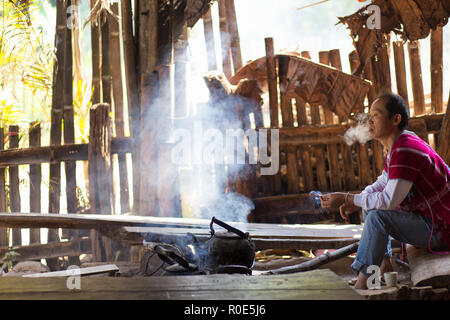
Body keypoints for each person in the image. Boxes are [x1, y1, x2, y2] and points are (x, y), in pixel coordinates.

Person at [320, 92, 450, 289]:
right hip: (430, 222)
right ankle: (384, 267)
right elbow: (382, 183)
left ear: (396, 119)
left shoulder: (406, 149)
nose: (370, 120)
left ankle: (364, 283)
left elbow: (388, 200)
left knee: (377, 216)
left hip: (441, 228)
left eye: (376, 115)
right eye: (369, 115)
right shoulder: (398, 146)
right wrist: (355, 200)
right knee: (369, 206)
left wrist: (348, 198)